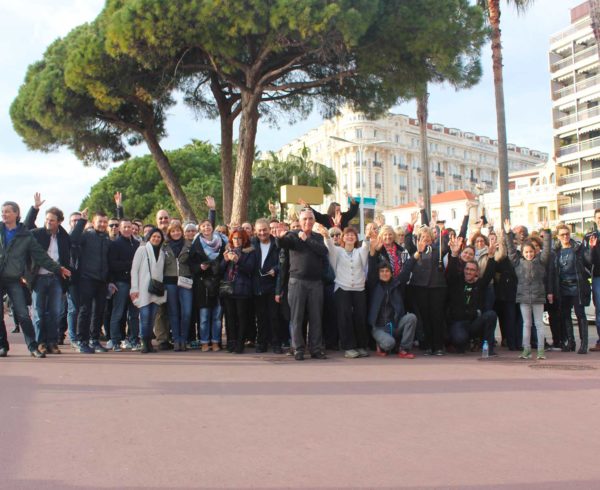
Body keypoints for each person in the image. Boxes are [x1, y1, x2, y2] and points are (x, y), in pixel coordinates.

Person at [0, 201, 70, 358]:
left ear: (16, 214)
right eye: (2, 211)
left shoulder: (25, 235)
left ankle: (33, 347)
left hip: (13, 279)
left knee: (23, 314)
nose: (3, 214)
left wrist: (58, 269)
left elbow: (41, 256)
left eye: (7, 212)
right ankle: (2, 346)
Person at [23, 194, 72, 355]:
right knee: (38, 313)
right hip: (38, 279)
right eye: (47, 219)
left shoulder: (63, 237)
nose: (48, 222)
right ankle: (40, 343)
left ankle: (52, 342)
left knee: (55, 312)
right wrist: (35, 208)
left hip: (56, 279)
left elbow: (76, 235)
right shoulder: (37, 234)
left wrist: (83, 221)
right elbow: (25, 226)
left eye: (52, 220)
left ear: (59, 222)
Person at [276, 208, 328, 361]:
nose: (308, 222)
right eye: (305, 219)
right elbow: (283, 243)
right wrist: (279, 238)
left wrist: (307, 239)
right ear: (299, 221)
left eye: (310, 219)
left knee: (316, 317)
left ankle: (316, 349)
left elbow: (323, 251)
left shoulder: (318, 237)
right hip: (297, 281)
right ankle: (298, 348)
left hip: (316, 283)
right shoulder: (293, 235)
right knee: (296, 317)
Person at [367, 238, 423, 358]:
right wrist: (372, 251)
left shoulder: (397, 284)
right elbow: (371, 268)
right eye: (381, 271)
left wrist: (418, 253)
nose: (384, 273)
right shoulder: (374, 285)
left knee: (411, 317)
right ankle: (381, 344)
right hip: (379, 327)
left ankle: (404, 349)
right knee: (389, 344)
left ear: (391, 273)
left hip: (395, 325)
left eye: (387, 271)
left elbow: (407, 268)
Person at [505, 220, 552, 360]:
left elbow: (547, 249)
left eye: (531, 251)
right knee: (526, 324)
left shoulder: (541, 261)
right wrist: (508, 233)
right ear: (522, 252)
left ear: (535, 251)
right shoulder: (518, 262)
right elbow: (511, 251)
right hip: (523, 297)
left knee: (539, 324)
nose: (529, 254)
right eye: (526, 252)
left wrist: (547, 232)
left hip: (538, 297)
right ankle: (526, 350)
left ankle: (541, 351)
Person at [321, 224, 369, 358]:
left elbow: (366, 248)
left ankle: (361, 345)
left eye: (352, 235)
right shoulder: (338, 251)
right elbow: (329, 246)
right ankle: (349, 347)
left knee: (360, 316)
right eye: (347, 234)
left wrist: (368, 236)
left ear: (356, 238)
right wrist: (326, 235)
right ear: (343, 237)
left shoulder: (359, 251)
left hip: (359, 288)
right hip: (342, 287)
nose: (350, 237)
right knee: (345, 317)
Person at [446, 235, 499, 356]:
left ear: (476, 272)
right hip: (458, 322)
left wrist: (491, 256)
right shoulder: (457, 282)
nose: (469, 272)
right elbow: (451, 272)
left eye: (472, 270)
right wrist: (454, 254)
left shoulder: (479, 284)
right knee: (460, 341)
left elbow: (489, 274)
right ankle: (462, 342)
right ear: (464, 270)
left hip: (474, 323)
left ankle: (488, 348)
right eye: (467, 269)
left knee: (491, 315)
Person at [70, 209, 111, 354]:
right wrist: (81, 221)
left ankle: (95, 340)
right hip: (86, 278)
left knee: (99, 311)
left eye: (105, 222)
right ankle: (82, 341)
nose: (102, 224)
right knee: (85, 310)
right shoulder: (86, 235)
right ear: (93, 223)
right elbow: (72, 239)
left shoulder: (107, 238)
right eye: (100, 221)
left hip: (102, 280)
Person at [188, 219, 227, 352]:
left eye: (208, 225)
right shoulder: (196, 243)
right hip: (203, 284)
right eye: (203, 226)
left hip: (218, 282)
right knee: (204, 316)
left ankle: (215, 341)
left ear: (212, 227)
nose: (206, 228)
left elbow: (225, 261)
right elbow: (191, 264)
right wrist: (200, 267)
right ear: (200, 229)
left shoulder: (222, 241)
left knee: (217, 316)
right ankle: (204, 341)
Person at [554, 224, 592, 354]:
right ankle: (571, 342)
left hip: (577, 286)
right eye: (562, 234)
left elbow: (590, 261)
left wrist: (591, 249)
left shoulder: (578, 248)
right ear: (558, 236)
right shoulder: (556, 251)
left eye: (567, 234)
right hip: (563, 286)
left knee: (580, 314)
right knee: (565, 315)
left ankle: (584, 344)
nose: (565, 236)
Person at [130, 228, 167, 353]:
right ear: (149, 237)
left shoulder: (162, 253)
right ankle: (144, 343)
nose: (156, 238)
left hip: (156, 289)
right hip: (143, 288)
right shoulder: (142, 250)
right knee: (144, 317)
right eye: (154, 236)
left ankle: (149, 343)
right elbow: (134, 270)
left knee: (152, 318)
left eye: (159, 237)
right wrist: (134, 288)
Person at [220, 229, 256, 354]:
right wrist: (225, 260)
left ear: (244, 239)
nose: (237, 241)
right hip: (228, 289)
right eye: (234, 238)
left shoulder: (250, 252)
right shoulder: (227, 250)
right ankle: (231, 342)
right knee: (229, 317)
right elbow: (219, 271)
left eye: (239, 238)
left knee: (241, 317)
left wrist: (237, 260)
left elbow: (250, 269)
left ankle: (240, 343)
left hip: (242, 289)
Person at [107, 218, 140, 351]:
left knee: (134, 314)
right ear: (120, 229)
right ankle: (115, 341)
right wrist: (130, 264)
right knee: (118, 313)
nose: (127, 229)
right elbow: (113, 264)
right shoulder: (115, 244)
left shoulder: (137, 244)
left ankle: (133, 340)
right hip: (121, 283)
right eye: (124, 227)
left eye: (129, 227)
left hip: (135, 284)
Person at [252, 218, 281, 353]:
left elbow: (284, 261)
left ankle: (276, 343)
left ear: (269, 230)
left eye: (265, 230)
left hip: (272, 285)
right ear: (255, 231)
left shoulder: (277, 243)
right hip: (257, 284)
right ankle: (261, 342)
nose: (262, 233)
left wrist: (275, 269)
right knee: (261, 316)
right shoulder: (252, 243)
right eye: (259, 230)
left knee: (274, 316)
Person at [163, 222, 193, 352]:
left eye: (178, 230)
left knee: (186, 312)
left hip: (185, 281)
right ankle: (176, 340)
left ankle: (184, 338)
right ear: (169, 233)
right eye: (173, 231)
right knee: (173, 313)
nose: (176, 233)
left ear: (181, 231)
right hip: (170, 282)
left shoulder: (189, 244)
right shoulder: (164, 246)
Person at [585, 209, 600, 352]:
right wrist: (591, 248)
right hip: (598, 277)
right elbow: (589, 261)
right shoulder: (590, 237)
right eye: (598, 217)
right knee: (599, 309)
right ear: (595, 219)